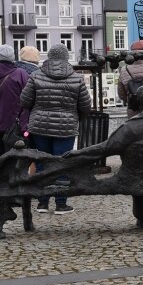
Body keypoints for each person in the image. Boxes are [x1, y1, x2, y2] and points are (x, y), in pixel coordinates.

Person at [63, 85, 143, 228]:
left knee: (140, 173)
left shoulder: (129, 127)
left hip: (137, 176)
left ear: (138, 102)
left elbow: (106, 148)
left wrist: (78, 152)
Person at [20, 43, 91, 215]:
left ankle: (42, 203)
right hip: (65, 129)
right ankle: (60, 204)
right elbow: (85, 106)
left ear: (49, 57)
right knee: (61, 164)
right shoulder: (76, 78)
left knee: (41, 163)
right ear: (66, 58)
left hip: (39, 127)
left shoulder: (36, 75)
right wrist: (75, 119)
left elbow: (24, 101)